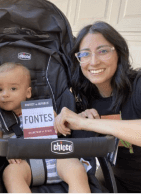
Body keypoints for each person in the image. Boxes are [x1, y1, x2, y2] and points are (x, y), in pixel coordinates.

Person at [54, 21, 141, 193]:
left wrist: (86, 124)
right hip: (118, 185)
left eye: (103, 51)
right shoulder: (84, 98)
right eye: (85, 54)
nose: (93, 62)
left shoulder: (138, 85)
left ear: (119, 53)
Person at [0, 62, 90, 193]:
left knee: (76, 168)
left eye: (13, 89)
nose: (5, 94)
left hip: (55, 158)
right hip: (25, 165)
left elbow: (57, 132)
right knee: (10, 174)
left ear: (28, 92)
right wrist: (8, 151)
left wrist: (59, 126)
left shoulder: (43, 109)